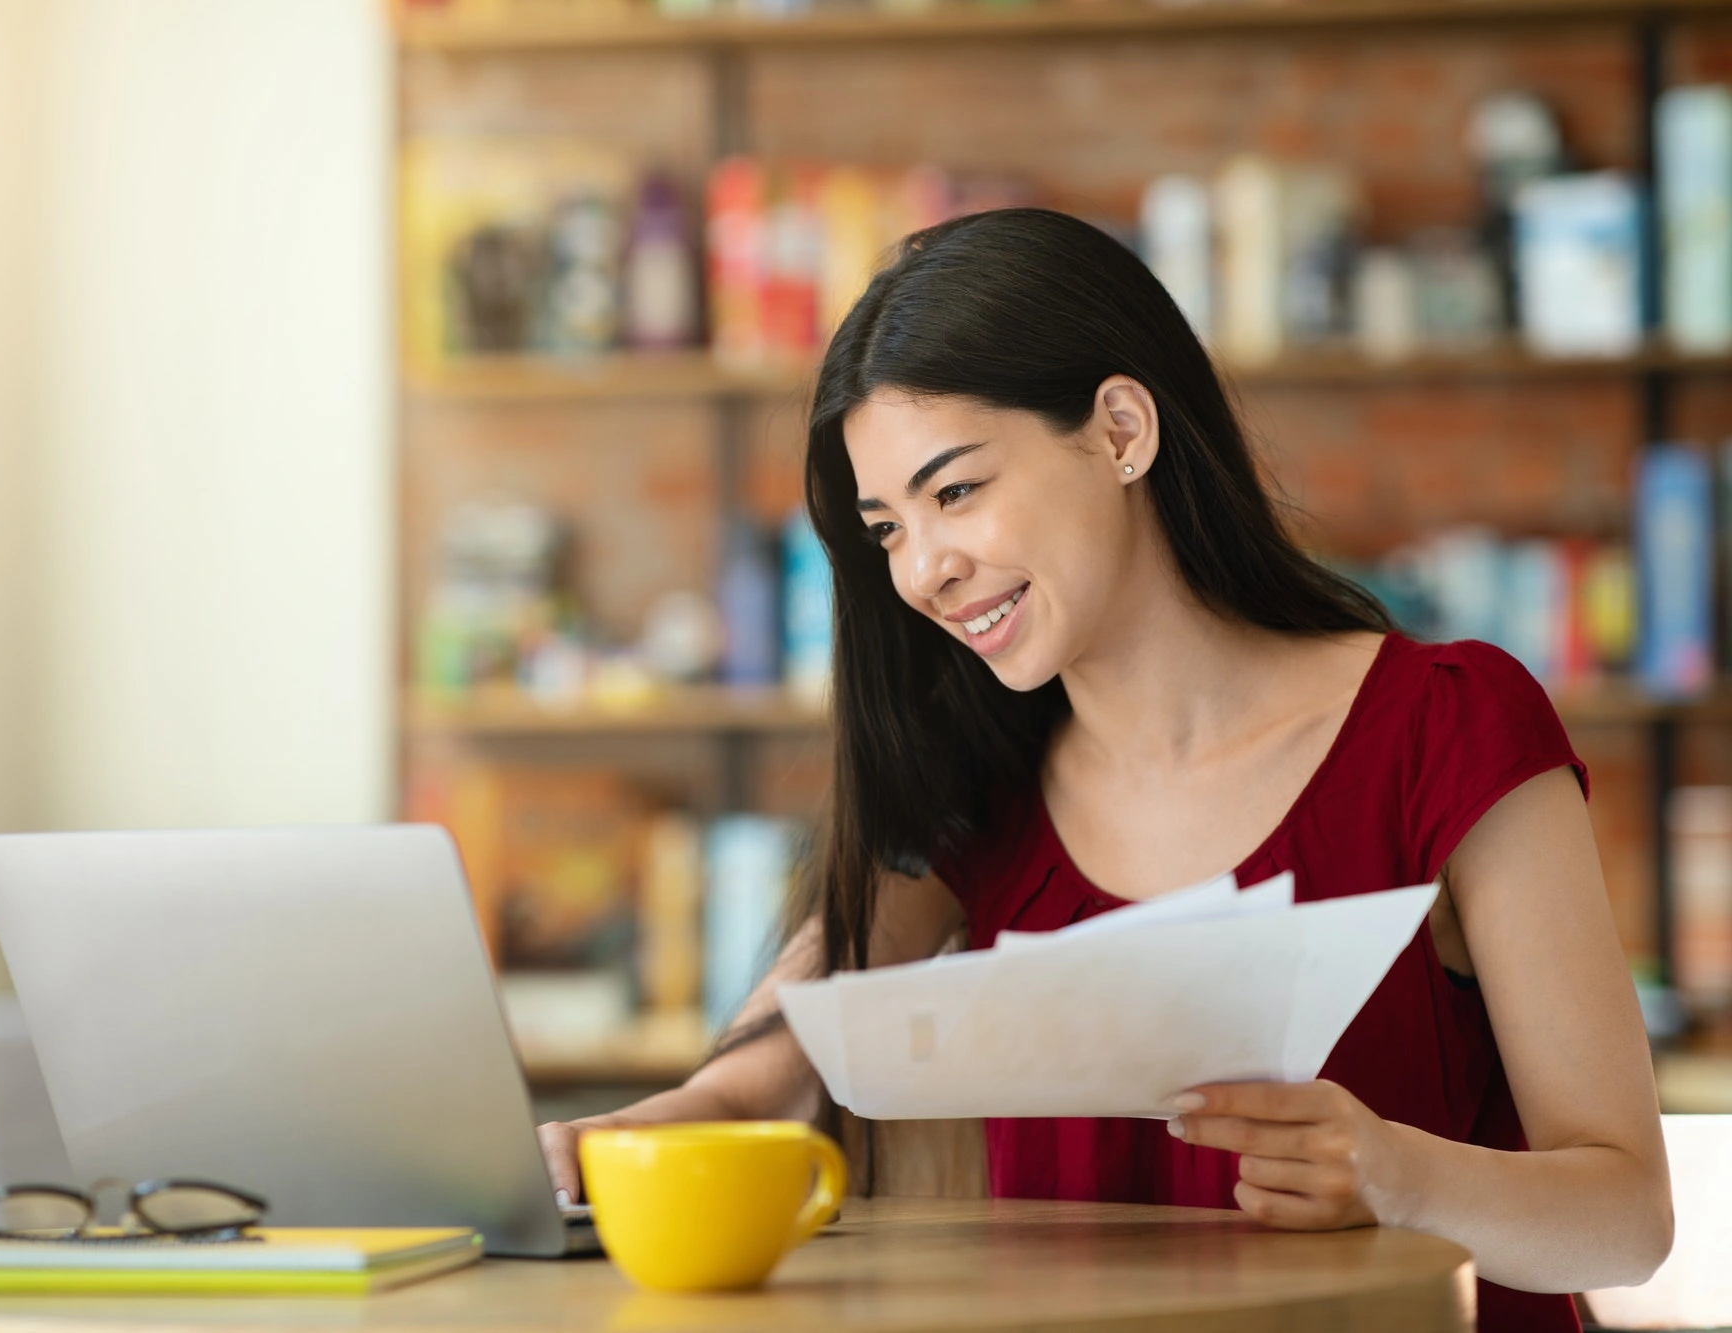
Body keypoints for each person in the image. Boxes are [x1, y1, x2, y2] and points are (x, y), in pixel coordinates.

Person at [537, 208, 1671, 1330]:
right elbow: (761, 1080)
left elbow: (1624, 1218)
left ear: (1120, 430)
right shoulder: (968, 779)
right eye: (885, 528)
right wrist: (601, 1147)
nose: (923, 570)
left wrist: (1396, 1176)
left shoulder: (1444, 728)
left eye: (955, 491)